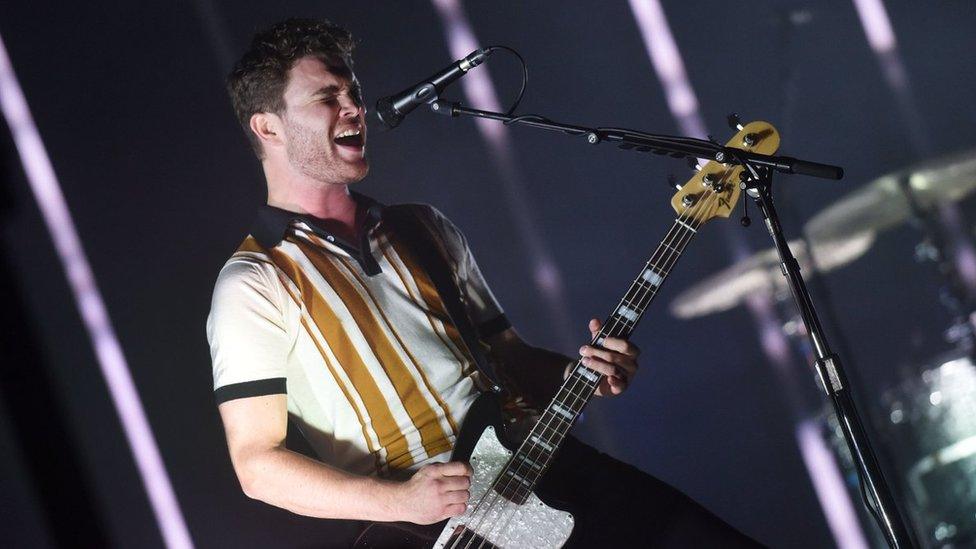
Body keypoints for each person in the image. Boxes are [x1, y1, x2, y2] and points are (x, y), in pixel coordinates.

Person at [208, 17, 762, 548]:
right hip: (439, 528)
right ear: (268, 126)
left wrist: (583, 375)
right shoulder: (257, 282)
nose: (355, 107)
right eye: (327, 97)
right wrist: (400, 503)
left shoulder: (422, 227)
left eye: (352, 90)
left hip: (547, 469)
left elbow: (511, 359)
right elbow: (258, 466)